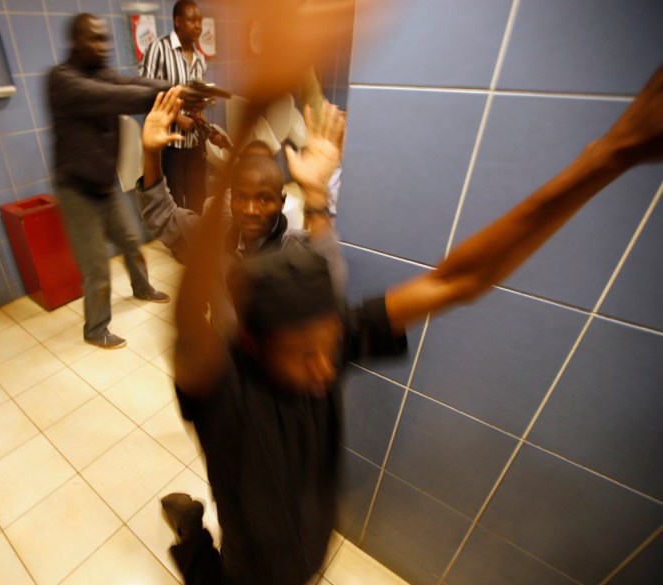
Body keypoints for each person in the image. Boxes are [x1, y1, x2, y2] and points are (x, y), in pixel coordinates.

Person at [163, 63, 663, 585]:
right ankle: (191, 532)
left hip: (307, 551)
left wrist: (608, 155)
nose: (324, 366)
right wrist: (247, 119)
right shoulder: (226, 389)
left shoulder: (327, 339)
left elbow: (458, 280)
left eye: (328, 344)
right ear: (253, 343)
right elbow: (186, 329)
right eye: (302, 353)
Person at [47, 13, 202, 349]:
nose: (104, 46)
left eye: (105, 39)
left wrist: (176, 89)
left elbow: (133, 84)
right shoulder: (61, 80)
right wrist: (174, 98)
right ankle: (95, 329)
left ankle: (142, 287)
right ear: (76, 42)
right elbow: (116, 97)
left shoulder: (100, 72)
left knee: (131, 241)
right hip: (76, 191)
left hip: (103, 185)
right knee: (97, 267)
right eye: (95, 39)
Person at [137, 88, 346, 338]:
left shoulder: (292, 249)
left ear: (281, 202)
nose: (250, 210)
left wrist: (315, 191)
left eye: (264, 198)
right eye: (241, 197)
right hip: (224, 358)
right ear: (230, 198)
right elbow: (162, 216)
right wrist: (151, 154)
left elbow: (329, 278)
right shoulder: (214, 238)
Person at [140, 0, 210, 212]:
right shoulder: (158, 49)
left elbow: (197, 102)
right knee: (175, 201)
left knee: (199, 195)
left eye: (199, 20)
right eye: (192, 20)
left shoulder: (199, 59)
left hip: (195, 142)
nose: (198, 26)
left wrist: (206, 125)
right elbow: (145, 92)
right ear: (177, 22)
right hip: (171, 145)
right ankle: (179, 245)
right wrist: (177, 117)